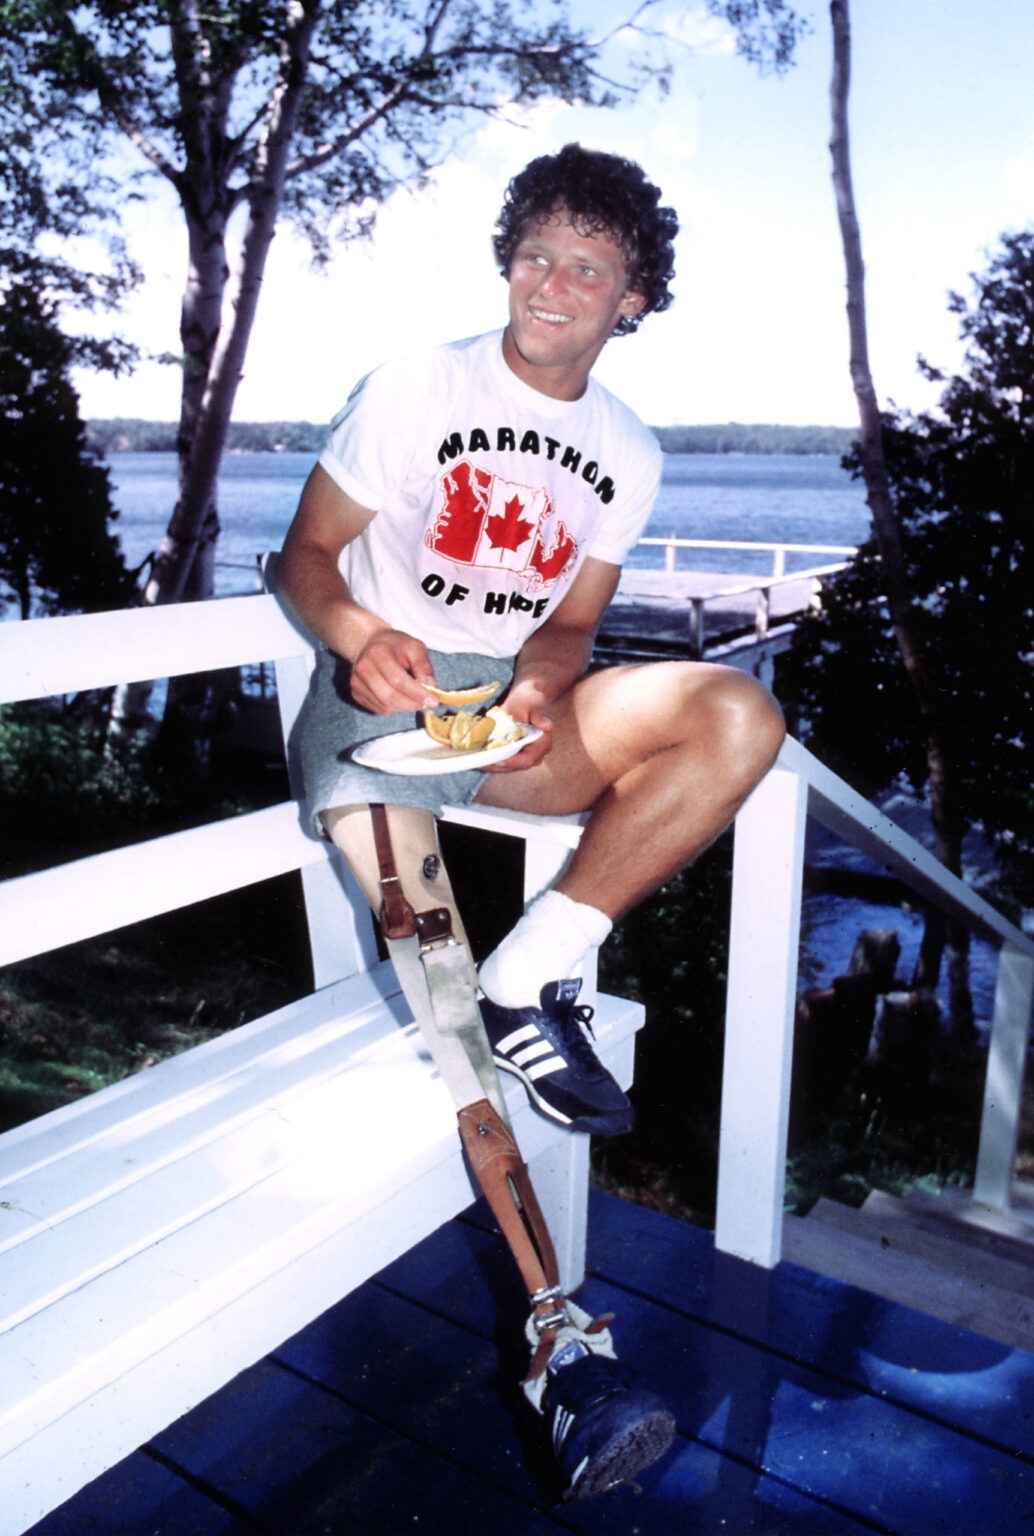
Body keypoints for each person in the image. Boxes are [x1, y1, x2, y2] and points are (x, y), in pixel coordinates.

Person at [279, 142, 785, 1500]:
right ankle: (565, 1341)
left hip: (508, 728)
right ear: (509, 259)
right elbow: (304, 555)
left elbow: (568, 626)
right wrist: (357, 637)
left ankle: (536, 969)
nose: (551, 283)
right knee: (440, 992)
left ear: (633, 298)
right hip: (376, 725)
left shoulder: (626, 450)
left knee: (738, 716)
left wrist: (546, 684)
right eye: (536, 253)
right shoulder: (417, 386)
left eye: (588, 266)